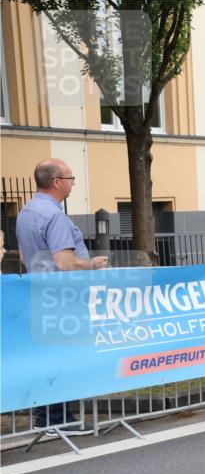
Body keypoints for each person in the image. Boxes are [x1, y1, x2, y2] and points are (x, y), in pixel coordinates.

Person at [16, 158, 108, 429]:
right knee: (61, 358)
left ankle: (46, 418)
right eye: (70, 178)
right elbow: (65, 262)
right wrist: (92, 264)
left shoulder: (26, 212)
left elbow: (23, 256)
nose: (73, 184)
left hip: (40, 293)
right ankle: (59, 421)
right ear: (56, 182)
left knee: (48, 357)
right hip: (61, 296)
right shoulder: (54, 215)